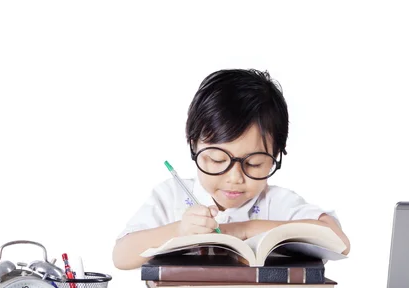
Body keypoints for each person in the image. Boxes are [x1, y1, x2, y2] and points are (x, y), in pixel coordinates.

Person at [113, 69, 351, 270]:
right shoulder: (172, 196)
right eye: (217, 160)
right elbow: (121, 256)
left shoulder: (277, 203)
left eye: (254, 163)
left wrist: (246, 229)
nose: (235, 178)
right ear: (193, 145)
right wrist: (180, 229)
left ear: (276, 154)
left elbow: (339, 241)